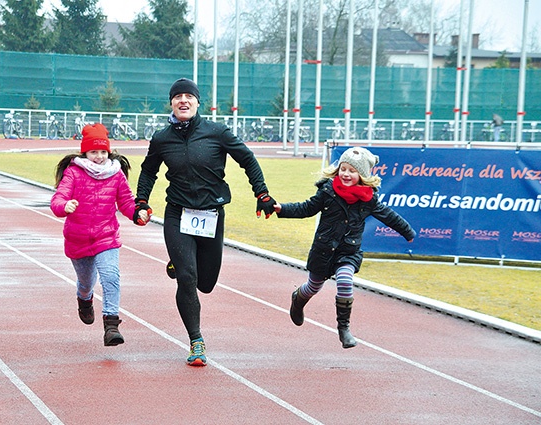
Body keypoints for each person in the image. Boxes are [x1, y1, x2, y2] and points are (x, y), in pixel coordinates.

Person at [134, 78, 276, 366]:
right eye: (178, 97)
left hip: (211, 213)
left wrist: (261, 193)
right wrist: (142, 201)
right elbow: (149, 171)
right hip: (178, 213)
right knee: (188, 278)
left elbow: (248, 160)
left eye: (189, 96)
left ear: (198, 102)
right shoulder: (162, 138)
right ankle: (196, 341)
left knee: (206, 283)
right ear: (171, 103)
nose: (183, 101)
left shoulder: (217, 132)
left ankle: (181, 261)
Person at [274, 147, 415, 349]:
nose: (346, 174)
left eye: (352, 171)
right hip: (324, 249)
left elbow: (389, 215)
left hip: (348, 251)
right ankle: (298, 299)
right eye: (343, 169)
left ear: (362, 175)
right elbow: (306, 208)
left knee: (345, 281)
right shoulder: (327, 192)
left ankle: (344, 328)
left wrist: (407, 232)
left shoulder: (369, 199)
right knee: (313, 287)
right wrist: (282, 209)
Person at [50, 123, 150, 347]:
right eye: (94, 152)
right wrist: (64, 206)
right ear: (85, 152)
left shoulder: (115, 174)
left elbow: (125, 201)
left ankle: (111, 324)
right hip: (78, 237)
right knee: (87, 282)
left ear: (109, 152)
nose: (99, 157)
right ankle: (84, 299)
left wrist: (137, 213)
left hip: (106, 236)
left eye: (103, 152)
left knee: (111, 275)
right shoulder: (73, 172)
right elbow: (58, 198)